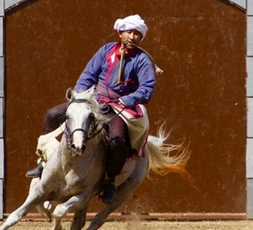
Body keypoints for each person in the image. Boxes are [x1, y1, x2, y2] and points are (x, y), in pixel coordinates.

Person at [25, 14, 157, 204]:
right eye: (129, 32)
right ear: (120, 33)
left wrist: (127, 99)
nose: (132, 37)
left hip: (116, 107)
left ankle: (109, 181)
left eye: (137, 34)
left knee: (117, 142)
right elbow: (87, 76)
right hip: (92, 100)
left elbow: (147, 89)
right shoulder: (105, 51)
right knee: (52, 115)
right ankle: (43, 162)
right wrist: (79, 98)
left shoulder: (142, 60)